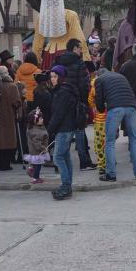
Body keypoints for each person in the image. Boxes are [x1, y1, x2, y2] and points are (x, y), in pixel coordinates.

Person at [94, 68, 136, 182]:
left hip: (116, 108)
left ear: (98, 75)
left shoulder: (99, 80)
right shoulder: (121, 76)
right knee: (134, 140)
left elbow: (99, 104)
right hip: (132, 107)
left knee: (110, 142)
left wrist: (103, 107)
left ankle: (111, 174)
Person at [52, 38, 96, 169]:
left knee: (61, 130)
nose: (81, 50)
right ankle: (84, 162)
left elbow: (53, 78)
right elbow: (83, 84)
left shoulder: (58, 60)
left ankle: (58, 163)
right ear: (74, 48)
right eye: (80, 48)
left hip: (61, 97)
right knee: (80, 132)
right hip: (76, 100)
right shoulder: (79, 62)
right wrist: (84, 101)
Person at [32, 0, 90, 69]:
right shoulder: (70, 14)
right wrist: (86, 58)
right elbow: (79, 38)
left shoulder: (42, 16)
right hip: (66, 54)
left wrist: (36, 61)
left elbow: (37, 42)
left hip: (48, 55)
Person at [46, 65, 79, 200]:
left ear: (61, 77)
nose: (53, 79)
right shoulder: (62, 90)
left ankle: (66, 185)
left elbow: (59, 113)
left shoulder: (63, 92)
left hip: (64, 128)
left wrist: (49, 130)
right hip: (67, 127)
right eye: (51, 77)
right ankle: (67, 185)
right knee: (65, 157)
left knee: (58, 157)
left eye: (55, 77)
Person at [0, 66, 22, 171]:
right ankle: (6, 164)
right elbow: (16, 102)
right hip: (8, 118)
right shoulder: (12, 86)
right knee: (8, 140)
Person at [24, 107, 50, 184]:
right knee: (38, 166)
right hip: (37, 152)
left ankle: (31, 169)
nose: (42, 120)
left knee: (35, 164)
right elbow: (37, 143)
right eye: (40, 118)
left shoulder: (36, 128)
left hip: (35, 151)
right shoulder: (36, 131)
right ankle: (36, 178)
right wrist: (43, 148)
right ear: (35, 120)